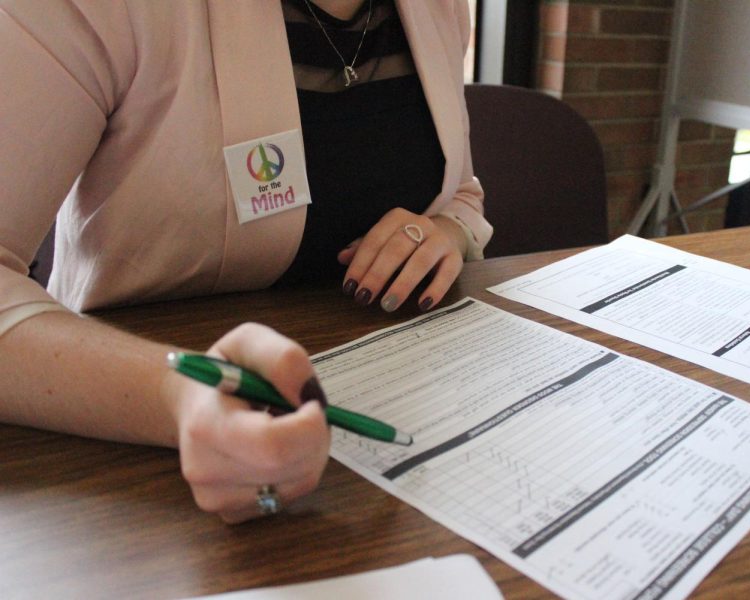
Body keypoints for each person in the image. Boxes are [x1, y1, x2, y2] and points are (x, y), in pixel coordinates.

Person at [0, 0, 492, 523]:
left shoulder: (440, 8)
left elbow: (459, 190)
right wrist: (175, 397)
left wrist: (448, 230)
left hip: (388, 453)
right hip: (122, 473)